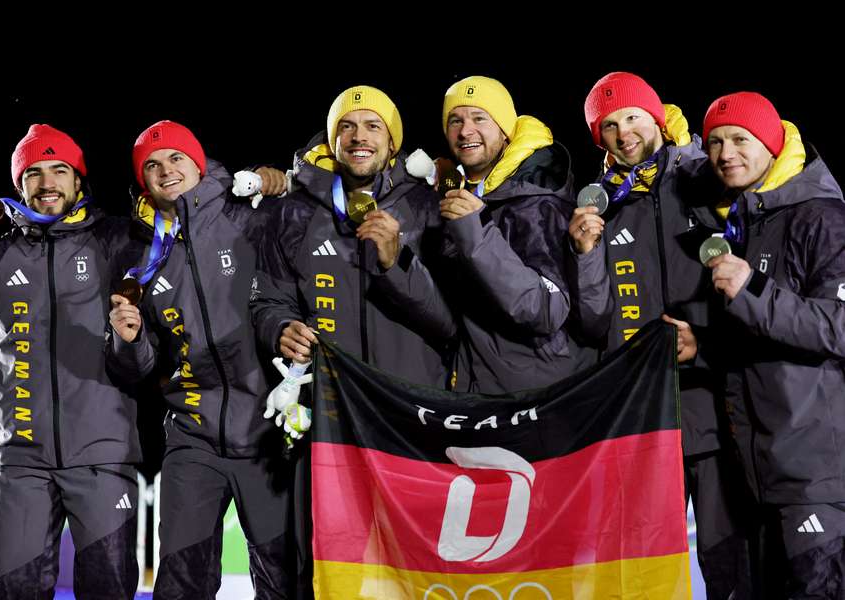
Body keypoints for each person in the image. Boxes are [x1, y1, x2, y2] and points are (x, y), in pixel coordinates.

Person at [571, 72, 749, 598]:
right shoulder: (599, 206)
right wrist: (584, 258)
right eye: (609, 126)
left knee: (730, 567)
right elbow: (593, 321)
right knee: (643, 575)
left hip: (715, 412)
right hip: (642, 421)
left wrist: (705, 344)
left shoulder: (704, 176)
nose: (624, 133)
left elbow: (756, 284)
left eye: (632, 117)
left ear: (656, 117)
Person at [0, 124, 140, 598]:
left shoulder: (116, 239)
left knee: (109, 591)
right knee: (16, 592)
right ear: (19, 185)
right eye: (33, 172)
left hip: (103, 454)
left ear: (79, 181)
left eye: (59, 170)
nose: (47, 182)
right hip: (22, 458)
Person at [105, 120, 292, 599]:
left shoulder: (250, 213)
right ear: (141, 180)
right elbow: (140, 370)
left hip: (270, 435)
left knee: (284, 577)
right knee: (180, 586)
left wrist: (285, 181)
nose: (165, 170)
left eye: (175, 158)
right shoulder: (137, 250)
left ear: (198, 162)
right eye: (151, 165)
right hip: (192, 439)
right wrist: (129, 341)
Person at [702, 91, 845, 598]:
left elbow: (838, 327)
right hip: (760, 469)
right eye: (715, 141)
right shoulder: (748, 219)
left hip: (816, 471)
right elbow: (755, 332)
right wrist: (697, 344)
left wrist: (751, 291)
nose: (725, 153)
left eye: (741, 139)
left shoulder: (820, 215)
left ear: (773, 142)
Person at [251, 85, 455, 387]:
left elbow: (450, 325)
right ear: (333, 143)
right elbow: (267, 301)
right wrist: (279, 328)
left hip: (412, 405)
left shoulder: (427, 207)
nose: (359, 137)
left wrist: (397, 262)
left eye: (373, 126)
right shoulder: (293, 212)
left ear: (392, 142)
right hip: (334, 404)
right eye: (347, 127)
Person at [438, 75, 593, 393]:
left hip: (539, 396)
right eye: (456, 120)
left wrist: (476, 231)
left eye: (479, 118)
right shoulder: (461, 198)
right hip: (478, 388)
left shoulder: (540, 200)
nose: (466, 130)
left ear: (505, 131)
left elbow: (546, 310)